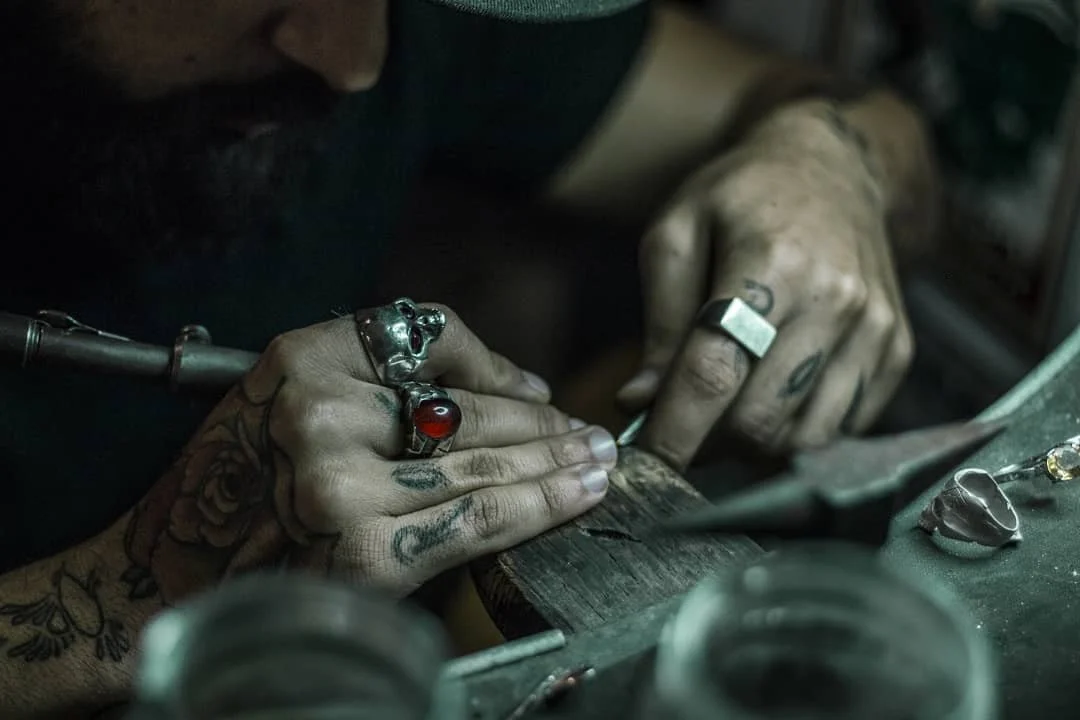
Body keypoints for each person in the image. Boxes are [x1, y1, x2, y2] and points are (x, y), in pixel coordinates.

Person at [0, 0, 936, 715]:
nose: (357, 60)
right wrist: (132, 589)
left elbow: (883, 139)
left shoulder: (383, 25)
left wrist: (825, 165)